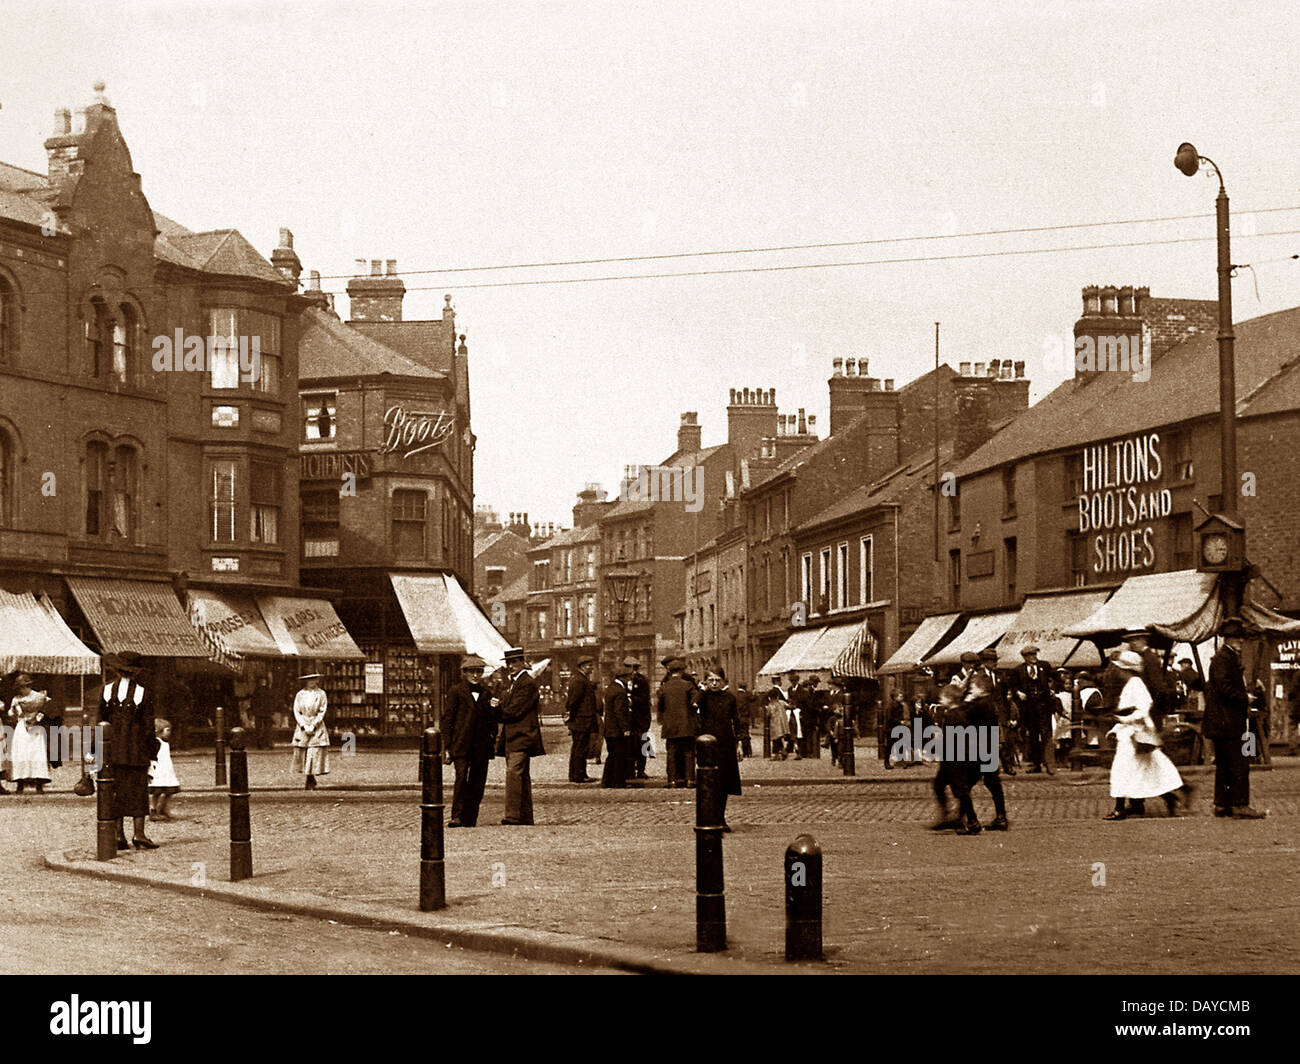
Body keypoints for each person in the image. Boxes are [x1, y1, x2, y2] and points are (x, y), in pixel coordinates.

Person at [1103, 650, 1191, 820]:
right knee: (1147, 771)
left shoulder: (1135, 683)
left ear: (1126, 670)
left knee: (1122, 769)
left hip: (1135, 734)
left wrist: (1123, 718)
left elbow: (1143, 708)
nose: (1118, 671)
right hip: (1133, 732)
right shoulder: (1132, 683)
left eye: (1120, 668)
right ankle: (1169, 797)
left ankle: (1120, 807)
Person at [97, 653, 160, 849]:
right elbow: (148, 727)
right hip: (136, 750)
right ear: (136, 672)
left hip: (113, 750)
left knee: (115, 792)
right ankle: (139, 834)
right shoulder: (143, 693)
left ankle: (118, 835)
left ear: (116, 669)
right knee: (138, 791)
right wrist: (152, 753)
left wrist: (95, 753)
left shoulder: (107, 690)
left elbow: (100, 723)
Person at [1204, 619, 1265, 818]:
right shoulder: (1225, 658)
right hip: (1228, 721)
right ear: (1229, 639)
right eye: (1237, 638)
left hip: (1220, 722)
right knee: (1239, 763)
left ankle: (1222, 803)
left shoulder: (1223, 658)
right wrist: (1244, 697)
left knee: (1223, 765)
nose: (1240, 641)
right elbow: (1225, 688)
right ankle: (1240, 804)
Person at [442, 655, 499, 826]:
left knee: (478, 781)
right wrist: (447, 746)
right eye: (472, 672)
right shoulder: (456, 691)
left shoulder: (487, 693)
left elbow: (492, 721)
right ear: (464, 673)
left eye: (479, 672)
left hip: (480, 745)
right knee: (461, 778)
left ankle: (471, 816)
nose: (475, 675)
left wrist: (494, 710)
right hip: (461, 743)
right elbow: (448, 720)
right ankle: (456, 815)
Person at [496, 647, 543, 824]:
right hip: (515, 736)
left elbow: (513, 711)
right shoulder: (514, 682)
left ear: (523, 662)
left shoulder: (526, 683)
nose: (511, 665)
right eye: (509, 662)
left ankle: (513, 815)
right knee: (521, 775)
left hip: (522, 736)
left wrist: (497, 708)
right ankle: (525, 816)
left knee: (513, 773)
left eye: (515, 661)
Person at [696, 668, 743, 830]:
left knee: (724, 783)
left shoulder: (729, 698)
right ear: (706, 682)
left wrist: (740, 743)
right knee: (709, 782)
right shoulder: (703, 697)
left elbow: (736, 721)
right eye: (711, 680)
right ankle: (710, 818)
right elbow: (693, 703)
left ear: (723, 681)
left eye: (717, 680)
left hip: (726, 745)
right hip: (708, 745)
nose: (714, 683)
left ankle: (721, 818)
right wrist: (702, 690)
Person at [1012, 645, 1055, 774]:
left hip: (1043, 706)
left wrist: (1052, 689)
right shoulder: (1018, 670)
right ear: (1024, 657)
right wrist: (1018, 693)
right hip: (1029, 708)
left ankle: (1050, 765)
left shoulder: (1044, 666)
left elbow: (1055, 678)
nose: (1033, 658)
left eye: (1035, 654)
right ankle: (1036, 764)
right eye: (1030, 655)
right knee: (1033, 736)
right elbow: (1013, 686)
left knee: (1047, 735)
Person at [8, 672, 52, 793]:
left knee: (37, 754)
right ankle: (20, 783)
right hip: (22, 726)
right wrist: (14, 712)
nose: (20, 691)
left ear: (26, 686)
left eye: (22, 687)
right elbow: (10, 713)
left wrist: (40, 715)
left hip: (36, 727)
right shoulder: (16, 699)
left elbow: (50, 708)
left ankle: (39, 784)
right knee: (21, 754)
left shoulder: (39, 696)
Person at [657, 658, 698, 786]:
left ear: (670, 671)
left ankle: (672, 780)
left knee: (672, 753)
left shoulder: (664, 687)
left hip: (670, 726)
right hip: (686, 725)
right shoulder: (688, 685)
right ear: (681, 671)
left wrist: (663, 720)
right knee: (689, 753)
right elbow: (695, 702)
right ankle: (690, 779)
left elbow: (660, 706)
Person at [563, 657, 599, 784]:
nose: (591, 668)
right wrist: (572, 717)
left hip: (580, 720)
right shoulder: (579, 681)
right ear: (582, 666)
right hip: (581, 720)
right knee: (580, 749)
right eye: (589, 665)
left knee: (578, 748)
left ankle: (575, 774)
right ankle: (579, 775)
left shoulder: (579, 679)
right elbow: (573, 701)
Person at [291, 673, 330, 789]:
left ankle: (310, 777)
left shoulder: (321, 694)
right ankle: (308, 776)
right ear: (305, 681)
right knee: (303, 752)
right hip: (303, 724)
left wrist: (313, 725)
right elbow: (296, 710)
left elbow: (322, 710)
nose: (312, 682)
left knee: (314, 752)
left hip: (316, 725)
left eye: (314, 679)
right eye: (309, 680)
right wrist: (303, 725)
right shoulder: (300, 694)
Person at [602, 662, 633, 788]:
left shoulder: (611, 688)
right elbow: (619, 712)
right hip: (617, 730)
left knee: (612, 755)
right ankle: (618, 782)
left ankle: (607, 781)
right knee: (620, 756)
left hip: (609, 729)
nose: (630, 679)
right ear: (623, 678)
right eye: (628, 677)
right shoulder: (620, 692)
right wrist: (625, 728)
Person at [148, 719, 180, 820]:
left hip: (166, 770)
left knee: (169, 790)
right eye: (167, 730)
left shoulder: (166, 743)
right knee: (157, 792)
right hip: (159, 770)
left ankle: (162, 808)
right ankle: (153, 810)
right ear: (159, 730)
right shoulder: (156, 742)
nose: (169, 733)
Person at [626, 657, 652, 780]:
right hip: (629, 720)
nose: (633, 671)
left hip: (641, 718)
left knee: (643, 743)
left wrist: (631, 699)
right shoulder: (622, 680)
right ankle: (630, 770)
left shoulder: (642, 681)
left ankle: (641, 770)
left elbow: (645, 699)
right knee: (630, 746)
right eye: (630, 668)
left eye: (635, 668)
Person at [250, 676, 275, 750]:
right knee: (261, 729)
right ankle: (262, 744)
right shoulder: (259, 691)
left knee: (266, 729)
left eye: (264, 681)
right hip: (261, 712)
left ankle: (266, 743)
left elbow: (271, 701)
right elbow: (253, 702)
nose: (263, 682)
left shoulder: (264, 690)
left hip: (264, 712)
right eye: (262, 681)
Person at [766, 687, 791, 760]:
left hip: (775, 726)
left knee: (776, 741)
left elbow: (768, 715)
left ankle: (781, 753)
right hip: (783, 725)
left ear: (770, 698)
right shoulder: (782, 703)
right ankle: (781, 753)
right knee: (779, 739)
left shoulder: (770, 706)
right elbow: (788, 706)